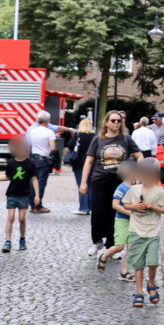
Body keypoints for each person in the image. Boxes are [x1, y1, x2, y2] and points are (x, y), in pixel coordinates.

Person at [80, 111, 142, 256]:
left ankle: (112, 245)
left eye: (118, 121)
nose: (116, 123)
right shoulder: (98, 140)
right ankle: (97, 241)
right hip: (99, 180)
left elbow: (140, 157)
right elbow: (89, 161)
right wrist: (83, 182)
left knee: (114, 213)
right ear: (106, 122)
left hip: (119, 181)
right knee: (98, 213)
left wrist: (138, 175)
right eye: (113, 120)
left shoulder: (126, 140)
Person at [121, 158, 164, 308]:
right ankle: (139, 291)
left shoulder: (159, 192)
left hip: (152, 233)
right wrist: (135, 206)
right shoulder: (134, 190)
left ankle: (151, 283)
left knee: (152, 262)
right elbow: (126, 204)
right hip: (136, 232)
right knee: (138, 264)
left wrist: (154, 207)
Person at [0, 137, 39, 252]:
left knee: (21, 218)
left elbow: (34, 179)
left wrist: (37, 195)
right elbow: (8, 176)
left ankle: (22, 239)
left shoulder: (30, 163)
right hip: (12, 194)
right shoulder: (11, 163)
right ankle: (7, 241)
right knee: (10, 217)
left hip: (24, 194)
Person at [96, 161, 137, 281]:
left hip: (134, 222)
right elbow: (115, 205)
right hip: (122, 221)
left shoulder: (137, 188)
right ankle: (104, 256)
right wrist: (129, 212)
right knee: (120, 246)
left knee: (131, 247)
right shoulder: (121, 188)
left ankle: (124, 272)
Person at [26, 111, 57, 213]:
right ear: (48, 121)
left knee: (32, 182)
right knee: (41, 182)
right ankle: (38, 205)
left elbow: (28, 145)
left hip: (33, 158)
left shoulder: (32, 131)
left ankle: (32, 204)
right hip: (43, 160)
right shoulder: (49, 132)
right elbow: (52, 148)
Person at [68, 117, 95, 215]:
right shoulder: (94, 136)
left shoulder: (78, 135)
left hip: (79, 163)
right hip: (92, 164)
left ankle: (83, 207)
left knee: (81, 184)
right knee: (90, 186)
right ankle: (91, 207)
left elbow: (70, 145)